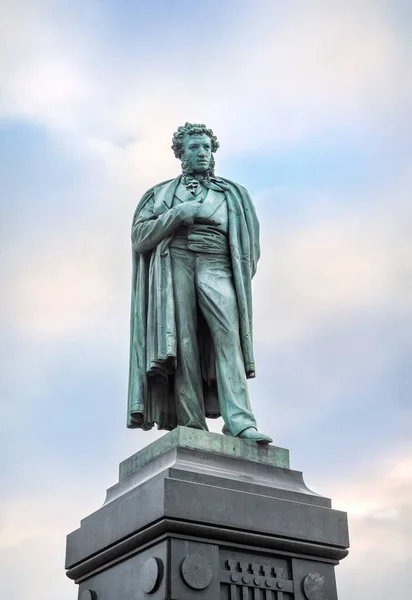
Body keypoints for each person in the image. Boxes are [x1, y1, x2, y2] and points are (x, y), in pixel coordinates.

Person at [127, 122, 272, 444]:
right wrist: (178, 214)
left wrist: (235, 274)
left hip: (217, 263)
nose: (202, 153)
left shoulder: (233, 194)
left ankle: (240, 422)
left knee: (227, 338)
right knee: (183, 343)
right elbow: (139, 237)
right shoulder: (160, 194)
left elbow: (250, 246)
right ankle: (190, 422)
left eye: (206, 147)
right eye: (194, 147)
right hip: (175, 261)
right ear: (181, 153)